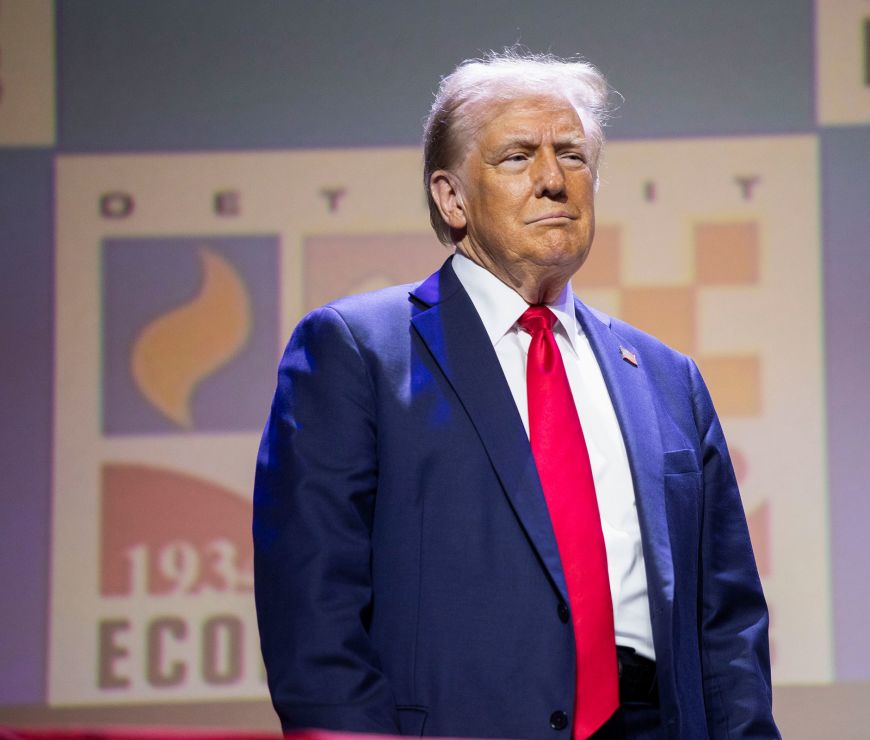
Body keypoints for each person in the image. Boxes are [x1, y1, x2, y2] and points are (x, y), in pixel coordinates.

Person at [253, 50, 778, 739]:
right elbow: (313, 603)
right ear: (451, 197)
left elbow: (726, 625)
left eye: (573, 156)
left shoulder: (665, 377)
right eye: (517, 157)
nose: (553, 181)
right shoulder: (356, 351)